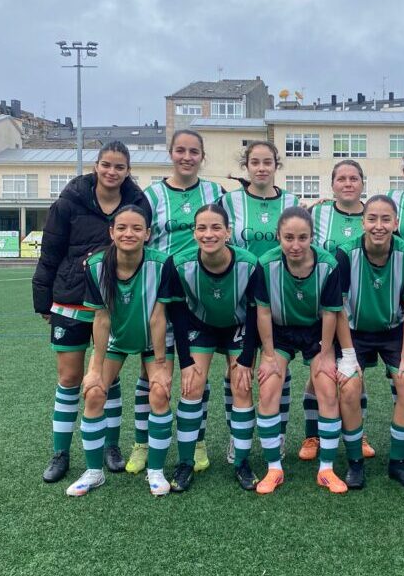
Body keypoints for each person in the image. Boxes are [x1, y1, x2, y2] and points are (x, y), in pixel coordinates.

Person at [33, 141, 151, 484]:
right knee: (70, 378)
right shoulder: (69, 201)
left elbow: (143, 250)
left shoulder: (138, 203)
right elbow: (50, 251)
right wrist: (42, 300)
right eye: (106, 165)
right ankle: (60, 452)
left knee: (107, 378)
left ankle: (110, 447)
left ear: (128, 171)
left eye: (119, 167)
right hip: (70, 299)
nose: (112, 172)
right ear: (96, 166)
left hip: (112, 302)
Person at [126, 130, 225, 477]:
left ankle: (196, 441)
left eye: (194, 151)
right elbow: (134, 232)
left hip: (200, 294)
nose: (187, 157)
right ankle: (142, 443)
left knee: (197, 370)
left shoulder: (216, 193)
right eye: (181, 150)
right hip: (160, 294)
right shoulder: (152, 194)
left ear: (202, 156)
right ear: (170, 153)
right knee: (150, 370)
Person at [65, 205, 181, 496]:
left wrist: (160, 366)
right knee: (94, 392)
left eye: (136, 228)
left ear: (147, 234)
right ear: (111, 232)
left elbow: (158, 317)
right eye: (122, 228)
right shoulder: (96, 266)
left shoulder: (163, 264)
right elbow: (101, 318)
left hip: (152, 340)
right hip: (115, 339)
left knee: (159, 392)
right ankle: (94, 472)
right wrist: (95, 368)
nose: (129, 233)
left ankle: (156, 471)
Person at [249, 207, 358, 494]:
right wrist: (269, 356)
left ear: (312, 237)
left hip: (316, 331)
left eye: (302, 237)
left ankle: (326, 469)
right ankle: (274, 468)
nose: (295, 245)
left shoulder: (328, 265)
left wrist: (325, 353)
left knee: (327, 387)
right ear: (278, 236)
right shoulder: (265, 264)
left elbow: (332, 312)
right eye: (288, 238)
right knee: (269, 388)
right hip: (280, 331)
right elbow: (263, 312)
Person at [169, 204, 260, 491]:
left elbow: (256, 313)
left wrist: (246, 358)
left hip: (238, 325)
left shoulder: (249, 264)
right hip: (201, 324)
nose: (208, 234)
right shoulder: (179, 264)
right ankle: (185, 463)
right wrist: (185, 362)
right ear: (194, 232)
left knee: (242, 385)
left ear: (228, 232)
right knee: (191, 386)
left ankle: (242, 462)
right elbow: (178, 315)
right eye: (202, 228)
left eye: (216, 227)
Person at [219, 141, 299, 463]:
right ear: (247, 166)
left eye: (268, 162)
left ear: (276, 165)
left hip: (278, 298)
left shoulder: (292, 202)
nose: (261, 168)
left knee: (278, 368)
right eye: (255, 162)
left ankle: (277, 435)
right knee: (235, 370)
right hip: (238, 298)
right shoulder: (228, 201)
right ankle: (235, 436)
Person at [336, 195, 404, 489]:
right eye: (372, 219)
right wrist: (348, 355)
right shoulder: (345, 254)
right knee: (349, 386)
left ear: (396, 223)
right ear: (362, 222)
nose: (379, 225)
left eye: (386, 219)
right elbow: (338, 307)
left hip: (393, 330)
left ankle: (397, 462)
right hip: (354, 331)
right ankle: (355, 463)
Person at [301, 160, 375, 462]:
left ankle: (358, 432)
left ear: (362, 183)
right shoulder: (318, 213)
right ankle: (313, 434)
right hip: (322, 306)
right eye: (341, 178)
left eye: (354, 178)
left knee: (356, 370)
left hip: (360, 304)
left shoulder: (372, 215)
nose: (348, 183)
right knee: (320, 369)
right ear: (332, 184)